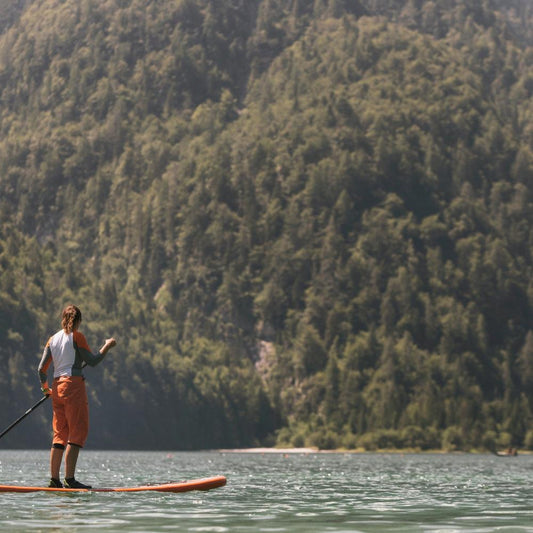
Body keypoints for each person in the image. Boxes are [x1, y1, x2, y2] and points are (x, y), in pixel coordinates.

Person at [38, 304, 117, 489]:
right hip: (73, 387)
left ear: (62, 319)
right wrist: (107, 346)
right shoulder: (77, 337)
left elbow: (41, 369)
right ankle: (70, 479)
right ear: (78, 321)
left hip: (56, 388)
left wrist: (45, 389)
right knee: (77, 431)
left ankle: (54, 480)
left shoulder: (52, 340)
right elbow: (93, 361)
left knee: (59, 435)